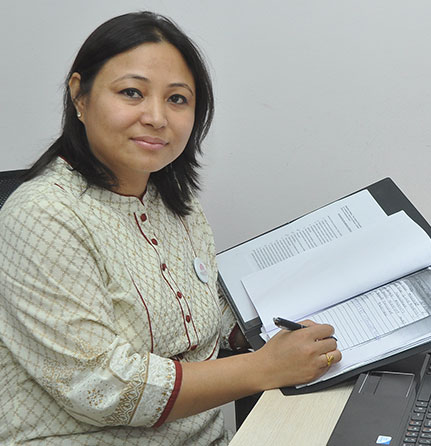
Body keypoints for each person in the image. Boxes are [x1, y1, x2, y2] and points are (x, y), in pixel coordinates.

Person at [0, 11, 341, 446]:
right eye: (132, 92)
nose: (157, 117)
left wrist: (254, 329)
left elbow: (197, 309)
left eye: (177, 99)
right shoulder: (42, 216)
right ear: (79, 96)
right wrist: (264, 367)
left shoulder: (173, 201)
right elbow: (102, 387)